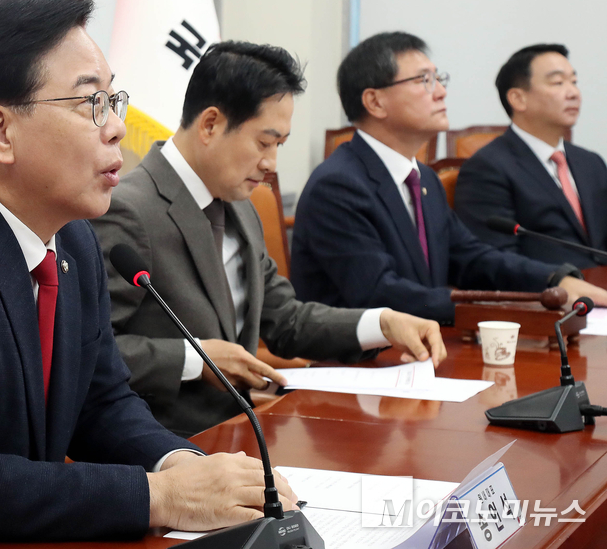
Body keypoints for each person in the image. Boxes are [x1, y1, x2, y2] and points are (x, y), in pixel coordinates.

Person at [0, 0, 299, 548]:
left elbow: (101, 403)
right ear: (0, 132)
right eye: (91, 103)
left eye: (115, 100)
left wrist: (180, 463)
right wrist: (161, 496)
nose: (116, 128)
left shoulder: (73, 242)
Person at [92, 41, 447, 438]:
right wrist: (194, 359)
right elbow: (87, 350)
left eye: (279, 145)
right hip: (168, 444)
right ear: (210, 124)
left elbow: (286, 320)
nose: (271, 163)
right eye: (264, 142)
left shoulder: (241, 206)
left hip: (244, 433)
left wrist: (382, 323)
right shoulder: (128, 210)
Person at [290, 32, 607, 326]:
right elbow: (379, 293)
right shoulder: (339, 185)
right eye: (424, 81)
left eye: (439, 79)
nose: (441, 92)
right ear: (375, 102)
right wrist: (501, 311)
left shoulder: (424, 179)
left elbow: (472, 258)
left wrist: (556, 279)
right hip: (357, 359)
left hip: (422, 346)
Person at [455, 44, 607, 268]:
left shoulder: (591, 163)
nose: (574, 93)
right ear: (518, 99)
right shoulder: (487, 168)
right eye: (558, 82)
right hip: (551, 288)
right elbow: (494, 260)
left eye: (574, 82)